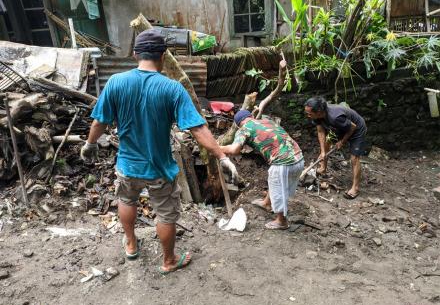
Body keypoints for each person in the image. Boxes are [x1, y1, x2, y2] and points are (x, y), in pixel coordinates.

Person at [80, 29, 238, 274]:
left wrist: (89, 145)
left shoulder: (116, 82)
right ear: (163, 55)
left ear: (135, 54)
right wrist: (222, 155)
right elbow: (197, 129)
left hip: (128, 165)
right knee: (165, 213)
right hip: (159, 168)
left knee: (125, 199)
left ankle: (131, 244)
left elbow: (100, 122)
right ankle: (168, 260)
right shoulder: (172, 89)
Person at [221, 110, 304, 230]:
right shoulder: (267, 121)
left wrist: (217, 147)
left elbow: (234, 150)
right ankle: (266, 202)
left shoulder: (244, 129)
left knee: (278, 189)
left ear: (238, 124)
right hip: (299, 158)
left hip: (284, 163)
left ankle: (281, 221)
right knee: (274, 181)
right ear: (252, 117)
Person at [304, 96, 367, 199]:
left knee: (354, 158)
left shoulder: (335, 116)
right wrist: (323, 152)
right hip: (340, 127)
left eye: (310, 113)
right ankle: (323, 168)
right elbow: (321, 132)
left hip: (356, 128)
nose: (308, 115)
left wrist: (342, 141)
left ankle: (355, 188)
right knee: (326, 143)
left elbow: (352, 127)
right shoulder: (317, 117)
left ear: (319, 112)